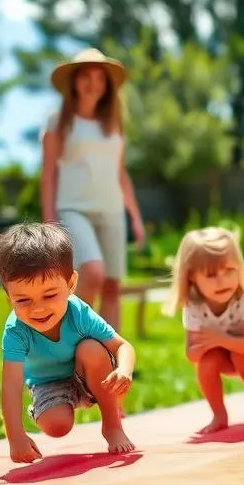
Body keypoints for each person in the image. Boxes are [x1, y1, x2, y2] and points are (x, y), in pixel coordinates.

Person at [0, 222, 136, 463]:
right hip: (47, 383)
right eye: (23, 300)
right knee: (57, 426)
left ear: (70, 284)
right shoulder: (16, 330)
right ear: (8, 297)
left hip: (87, 373)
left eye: (49, 295)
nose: (38, 309)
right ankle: (45, 409)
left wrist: (124, 369)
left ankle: (112, 425)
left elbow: (122, 346)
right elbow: (11, 386)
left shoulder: (78, 313)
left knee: (90, 348)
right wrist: (15, 437)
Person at [39, 48, 145, 334]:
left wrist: (134, 216)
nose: (93, 83)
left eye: (100, 77)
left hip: (111, 210)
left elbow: (120, 173)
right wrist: (49, 222)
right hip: (73, 208)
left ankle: (112, 360)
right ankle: (73, 343)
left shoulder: (112, 124)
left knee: (112, 284)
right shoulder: (57, 121)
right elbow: (48, 174)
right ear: (74, 81)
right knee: (93, 272)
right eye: (85, 76)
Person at [165, 226, 244, 434]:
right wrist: (208, 345)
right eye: (211, 275)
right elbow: (192, 355)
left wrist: (220, 338)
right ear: (192, 277)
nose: (222, 280)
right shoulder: (194, 305)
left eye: (229, 271)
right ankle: (218, 414)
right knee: (207, 361)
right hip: (228, 352)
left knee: (241, 354)